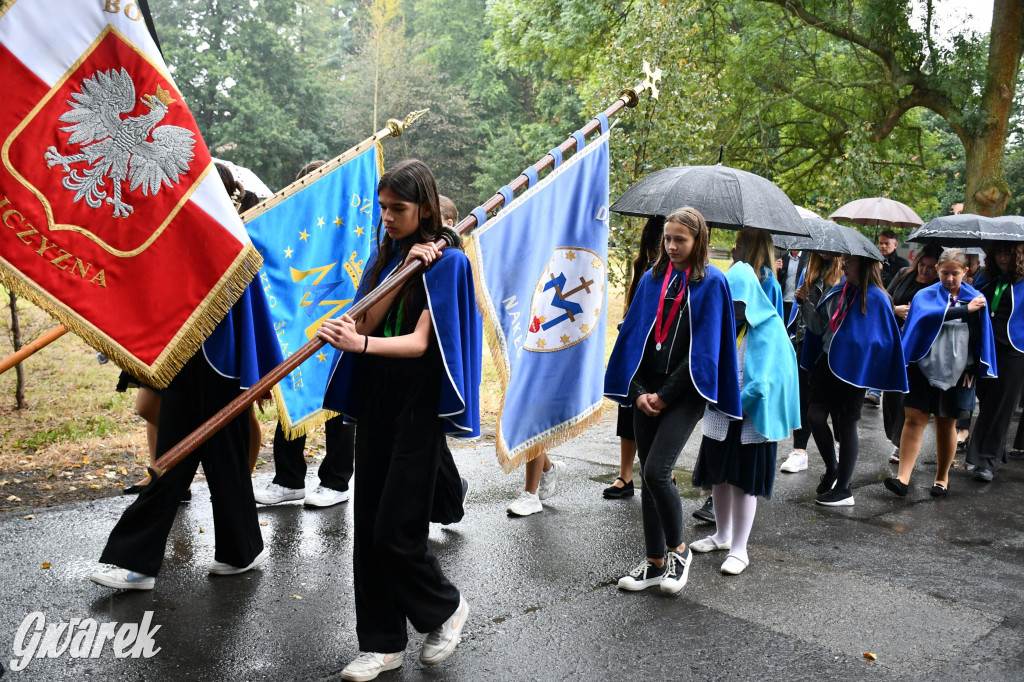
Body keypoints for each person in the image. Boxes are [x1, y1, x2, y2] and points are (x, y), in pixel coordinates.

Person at [319, 160, 480, 680]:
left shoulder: (448, 264)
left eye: (399, 209)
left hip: (418, 407)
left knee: (395, 529)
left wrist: (359, 342)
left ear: (425, 209)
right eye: (383, 207)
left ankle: (445, 608)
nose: (386, 217)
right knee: (366, 528)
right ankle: (382, 644)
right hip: (377, 402)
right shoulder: (388, 256)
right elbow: (363, 318)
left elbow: (416, 344)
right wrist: (394, 271)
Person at [605, 207, 741, 595]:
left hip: (685, 391)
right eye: (668, 238)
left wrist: (663, 397)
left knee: (657, 472)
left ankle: (679, 550)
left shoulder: (712, 283)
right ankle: (654, 563)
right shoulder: (653, 277)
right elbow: (635, 337)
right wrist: (638, 392)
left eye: (680, 239)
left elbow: (705, 353)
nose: (671, 245)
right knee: (648, 475)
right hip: (647, 388)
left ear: (698, 241)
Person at [253, 159, 356, 509]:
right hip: (298, 325)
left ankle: (336, 482)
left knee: (337, 403)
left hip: (340, 321)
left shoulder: (348, 221)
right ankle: (288, 480)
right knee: (292, 394)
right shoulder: (289, 226)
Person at [691, 259, 800, 575]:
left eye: (740, 302)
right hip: (720, 417)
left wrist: (738, 402)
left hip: (752, 422)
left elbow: (768, 379)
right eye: (730, 301)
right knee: (719, 480)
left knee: (743, 485)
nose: (735, 308)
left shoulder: (770, 326)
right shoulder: (721, 324)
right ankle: (722, 535)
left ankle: (740, 548)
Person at [884, 248, 996, 497]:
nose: (949, 279)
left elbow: (981, 337)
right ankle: (902, 478)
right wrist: (964, 311)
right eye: (944, 273)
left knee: (947, 424)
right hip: (922, 367)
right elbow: (925, 318)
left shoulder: (976, 297)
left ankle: (942, 479)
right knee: (914, 420)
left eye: (955, 274)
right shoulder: (925, 295)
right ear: (937, 271)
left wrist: (975, 367)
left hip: (959, 372)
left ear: (965, 272)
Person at [801, 255, 907, 506]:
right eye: (844, 261)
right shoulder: (839, 289)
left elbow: (883, 340)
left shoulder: (878, 298)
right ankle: (832, 469)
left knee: (847, 424)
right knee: (814, 416)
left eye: (850, 261)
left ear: (864, 265)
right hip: (828, 363)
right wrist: (805, 302)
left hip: (855, 370)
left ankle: (844, 489)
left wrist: (856, 347)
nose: (844, 265)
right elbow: (819, 327)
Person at [605, 216, 664, 500]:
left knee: (656, 414)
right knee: (628, 413)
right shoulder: (643, 267)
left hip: (660, 354)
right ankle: (625, 476)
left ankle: (663, 472)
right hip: (636, 352)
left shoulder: (675, 273)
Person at [779, 252, 843, 473]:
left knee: (835, 402)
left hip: (833, 344)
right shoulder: (809, 271)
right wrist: (800, 300)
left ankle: (839, 446)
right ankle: (799, 450)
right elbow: (799, 313)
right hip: (805, 339)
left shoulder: (843, 273)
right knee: (804, 397)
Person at [966, 242, 1024, 482]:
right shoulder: (986, 279)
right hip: (987, 349)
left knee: (1001, 406)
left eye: (1008, 253)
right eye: (999, 252)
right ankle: (991, 453)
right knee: (988, 401)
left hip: (1015, 349)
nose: (1003, 257)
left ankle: (986, 461)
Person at [882, 245, 942, 463]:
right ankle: (894, 436)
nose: (925, 271)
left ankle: (900, 444)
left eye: (930, 268)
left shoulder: (938, 287)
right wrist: (896, 309)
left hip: (918, 348)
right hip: (895, 342)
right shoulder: (903, 275)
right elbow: (884, 298)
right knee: (889, 394)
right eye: (922, 265)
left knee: (906, 395)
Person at [777, 248, 808, 323]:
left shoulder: (807, 258)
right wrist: (776, 270)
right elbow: (779, 281)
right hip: (784, 302)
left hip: (799, 304)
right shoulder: (783, 259)